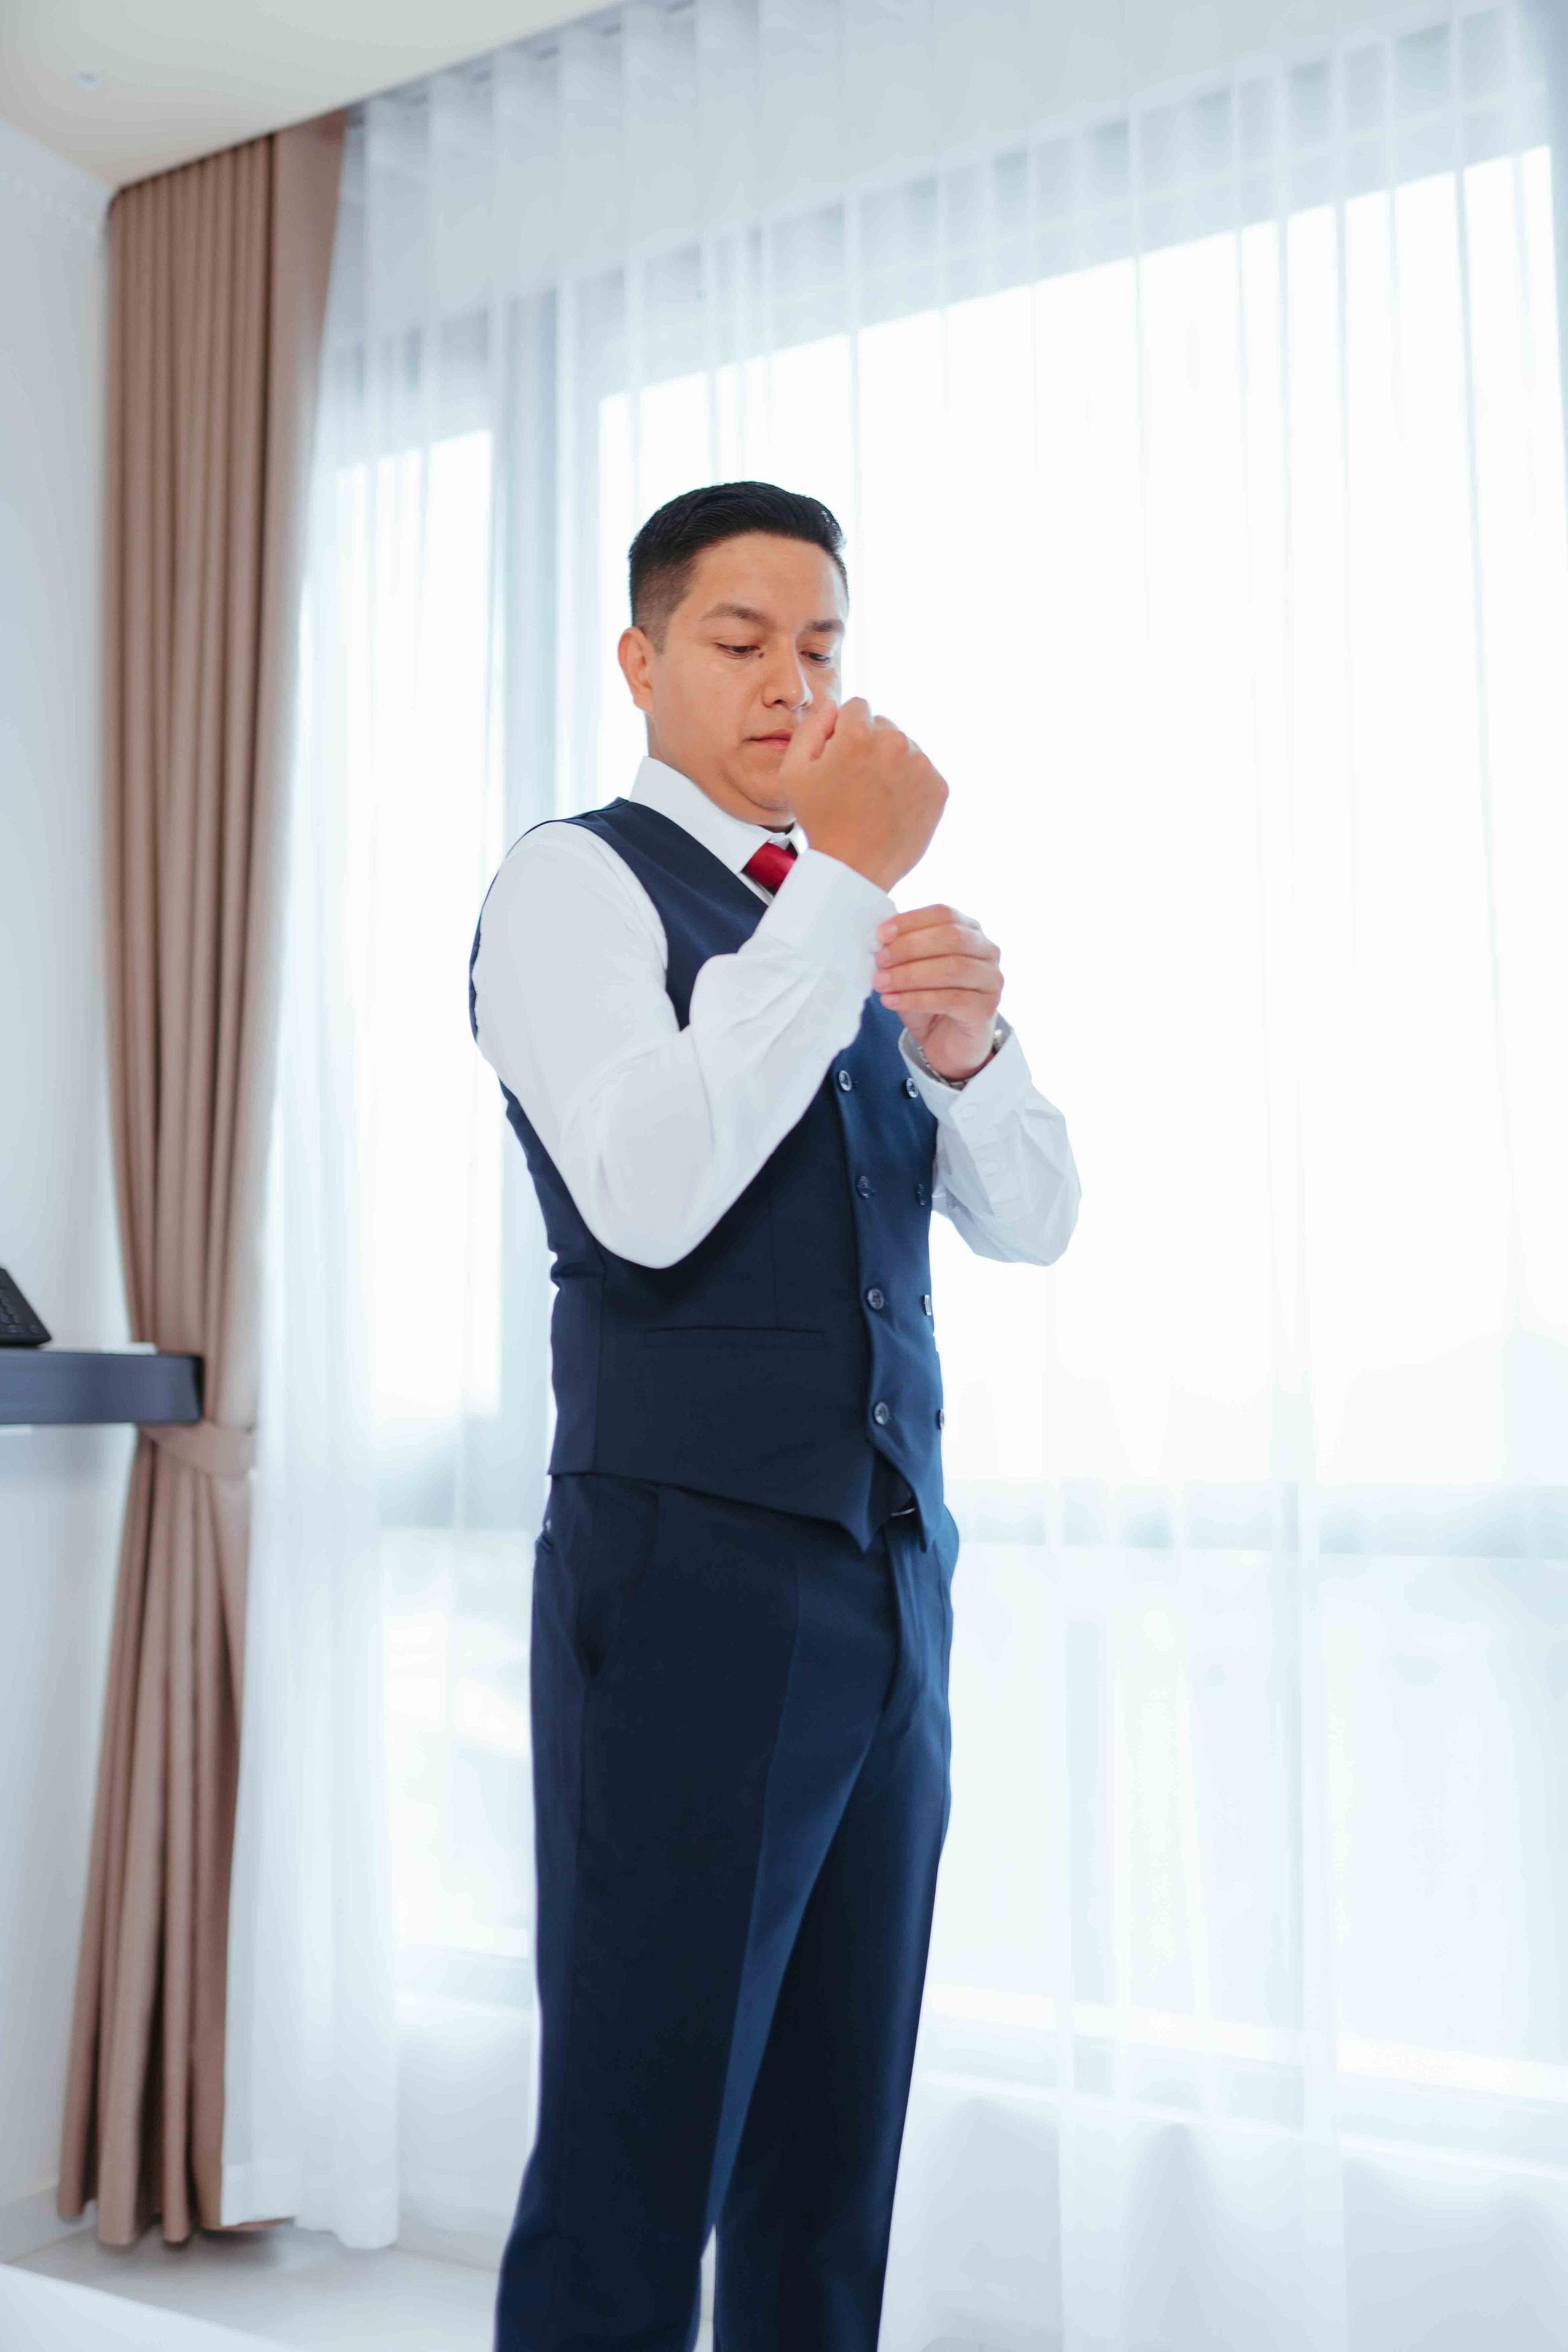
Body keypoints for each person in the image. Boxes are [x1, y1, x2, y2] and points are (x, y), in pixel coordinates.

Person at [469, 480, 1079, 2351]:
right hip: (685, 1582)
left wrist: (965, 1056)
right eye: (740, 641)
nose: (789, 684)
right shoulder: (570, 884)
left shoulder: (853, 930)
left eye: (820, 647)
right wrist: (837, 898)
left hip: (889, 1586)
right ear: (642, 660)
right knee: (634, 2173)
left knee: (831, 2180)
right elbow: (649, 1194)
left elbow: (1035, 1218)